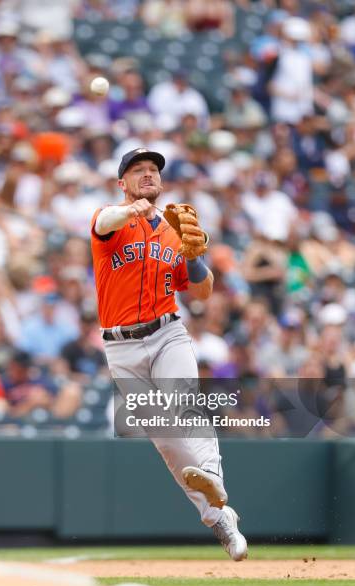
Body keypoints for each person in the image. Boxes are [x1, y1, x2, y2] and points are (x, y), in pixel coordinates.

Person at [90, 148, 247, 561]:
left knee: (184, 404)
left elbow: (203, 290)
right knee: (167, 440)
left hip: (167, 333)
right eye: (138, 170)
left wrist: (194, 256)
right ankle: (219, 518)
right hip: (121, 346)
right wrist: (132, 211)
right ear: (122, 183)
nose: (148, 174)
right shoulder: (109, 218)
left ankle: (213, 479)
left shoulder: (174, 230)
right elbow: (105, 223)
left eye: (153, 170)